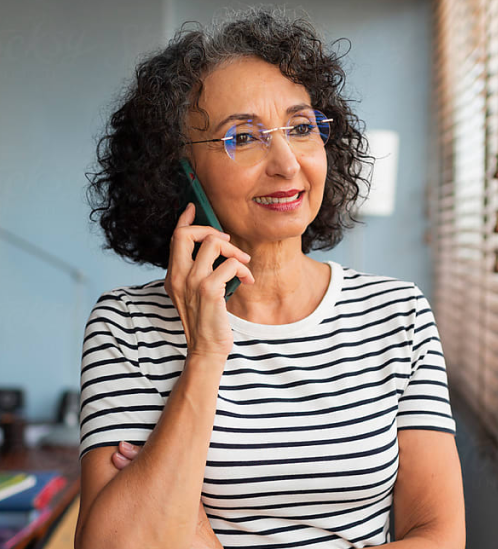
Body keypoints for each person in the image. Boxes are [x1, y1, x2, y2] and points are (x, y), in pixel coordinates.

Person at [75, 7, 465, 549]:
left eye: (301, 128)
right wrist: (205, 356)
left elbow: (440, 537)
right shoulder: (126, 327)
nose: (286, 162)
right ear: (178, 170)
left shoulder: (397, 314)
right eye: (243, 137)